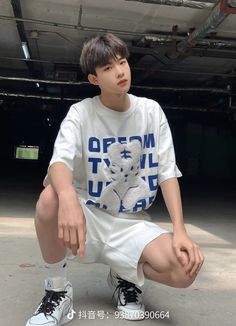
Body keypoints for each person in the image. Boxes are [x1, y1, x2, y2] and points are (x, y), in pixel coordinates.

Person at [25, 33, 204, 326]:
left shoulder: (150, 111)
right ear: (94, 79)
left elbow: (167, 172)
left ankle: (124, 274)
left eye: (122, 62)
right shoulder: (82, 112)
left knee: (185, 270)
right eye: (108, 68)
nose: (120, 71)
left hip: (132, 222)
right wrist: (68, 197)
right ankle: (57, 289)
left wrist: (180, 230)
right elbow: (59, 162)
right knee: (50, 198)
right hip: (88, 218)